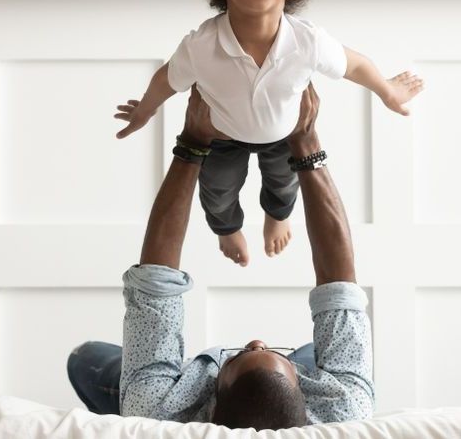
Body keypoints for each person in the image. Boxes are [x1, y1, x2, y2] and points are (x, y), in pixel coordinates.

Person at [114, 0, 424, 266]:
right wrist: (145, 111)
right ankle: (227, 229)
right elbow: (166, 79)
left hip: (283, 136)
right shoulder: (201, 45)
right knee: (217, 192)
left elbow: (354, 64)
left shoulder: (307, 41)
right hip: (222, 138)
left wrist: (387, 90)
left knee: (283, 186)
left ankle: (276, 218)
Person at [69, 84, 374, 429]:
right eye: (266, 351)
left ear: (211, 407)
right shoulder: (344, 408)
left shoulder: (159, 411)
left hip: (171, 395)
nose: (255, 341)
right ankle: (282, 360)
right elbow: (339, 287)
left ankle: (138, 391)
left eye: (243, 353)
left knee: (83, 359)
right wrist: (306, 143)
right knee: (319, 348)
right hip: (296, 388)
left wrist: (192, 144)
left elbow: (156, 281)